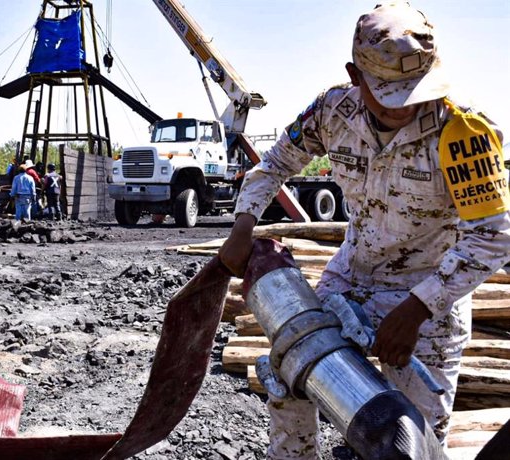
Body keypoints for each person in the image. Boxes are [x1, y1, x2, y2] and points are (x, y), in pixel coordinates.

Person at [218, 3, 510, 459]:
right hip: (350, 278)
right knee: (291, 377)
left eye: (417, 89)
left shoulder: (463, 131)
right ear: (356, 76)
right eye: (392, 93)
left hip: (429, 293)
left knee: (416, 440)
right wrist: (243, 224)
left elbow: (493, 235)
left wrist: (417, 309)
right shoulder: (333, 111)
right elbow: (273, 165)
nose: (408, 104)